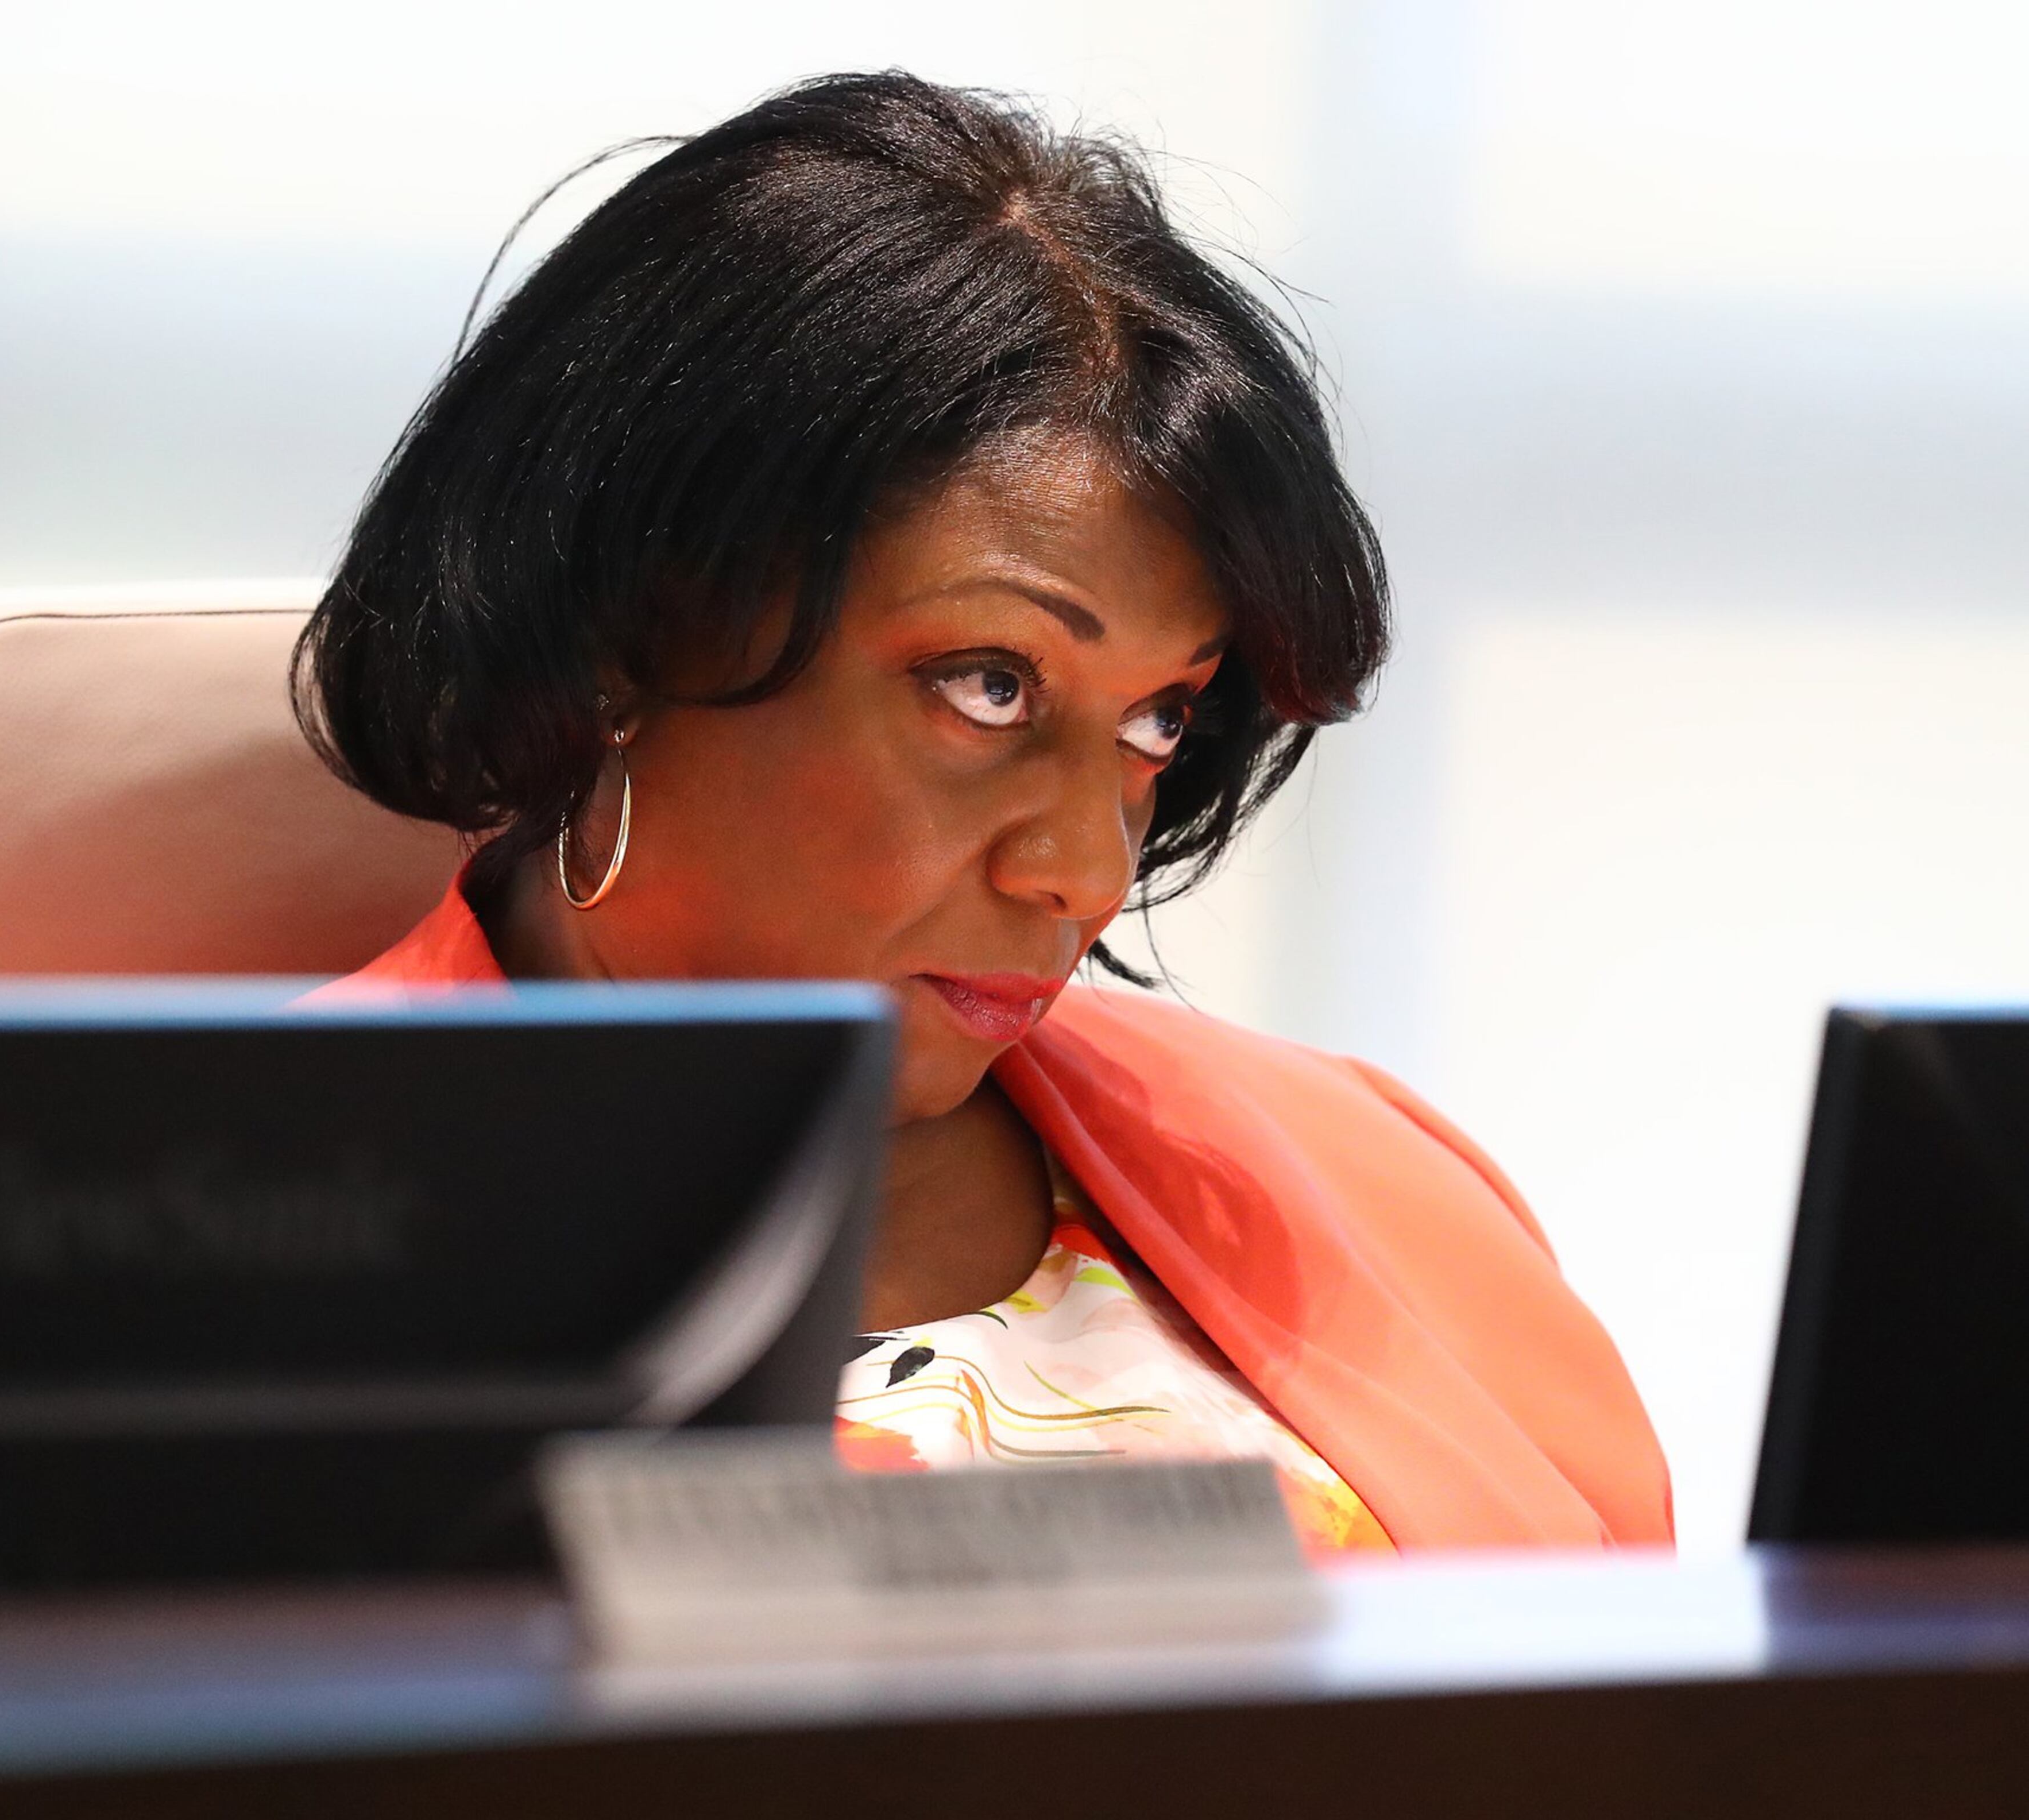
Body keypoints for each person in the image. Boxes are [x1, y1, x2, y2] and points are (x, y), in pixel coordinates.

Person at [296, 72, 1671, 1553]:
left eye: (1157, 721)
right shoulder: (244, 1229)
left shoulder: (1378, 1170)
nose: (1084, 870)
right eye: (991, 690)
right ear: (623, 637)